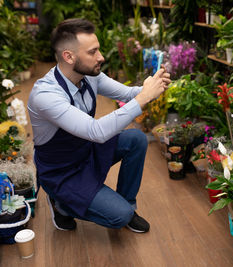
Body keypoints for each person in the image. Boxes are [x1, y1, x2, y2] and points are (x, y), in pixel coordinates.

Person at [27, 18, 171, 233]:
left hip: (85, 151)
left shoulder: (89, 76)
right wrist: (143, 98)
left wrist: (151, 86)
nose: (101, 57)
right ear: (69, 56)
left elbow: (128, 93)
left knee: (136, 139)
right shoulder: (46, 95)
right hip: (63, 171)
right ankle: (61, 204)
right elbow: (96, 131)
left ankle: (128, 206)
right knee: (117, 217)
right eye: (93, 52)